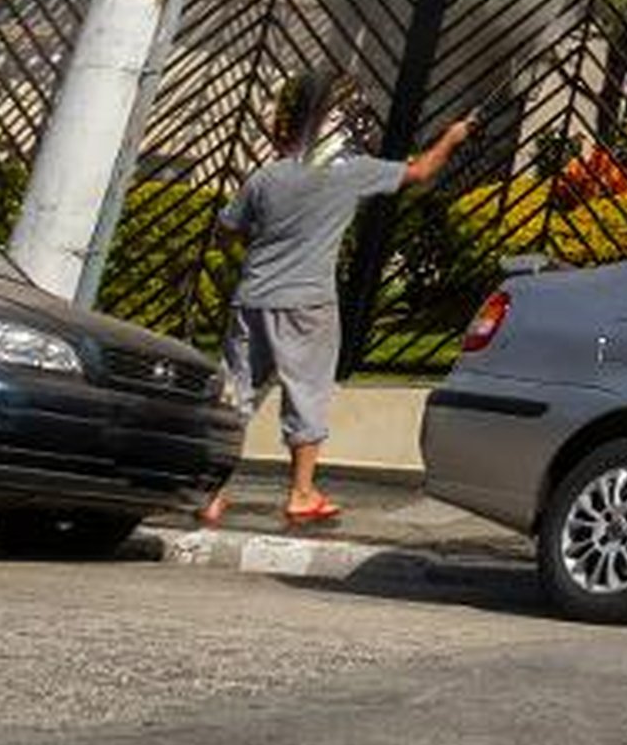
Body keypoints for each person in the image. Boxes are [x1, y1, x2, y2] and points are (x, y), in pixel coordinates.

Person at [201, 79, 471, 529]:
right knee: (306, 393)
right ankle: (302, 494)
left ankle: (212, 495)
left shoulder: (266, 178)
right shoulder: (349, 172)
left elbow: (228, 229)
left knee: (236, 397)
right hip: (308, 303)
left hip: (253, 298)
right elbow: (421, 172)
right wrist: (452, 137)